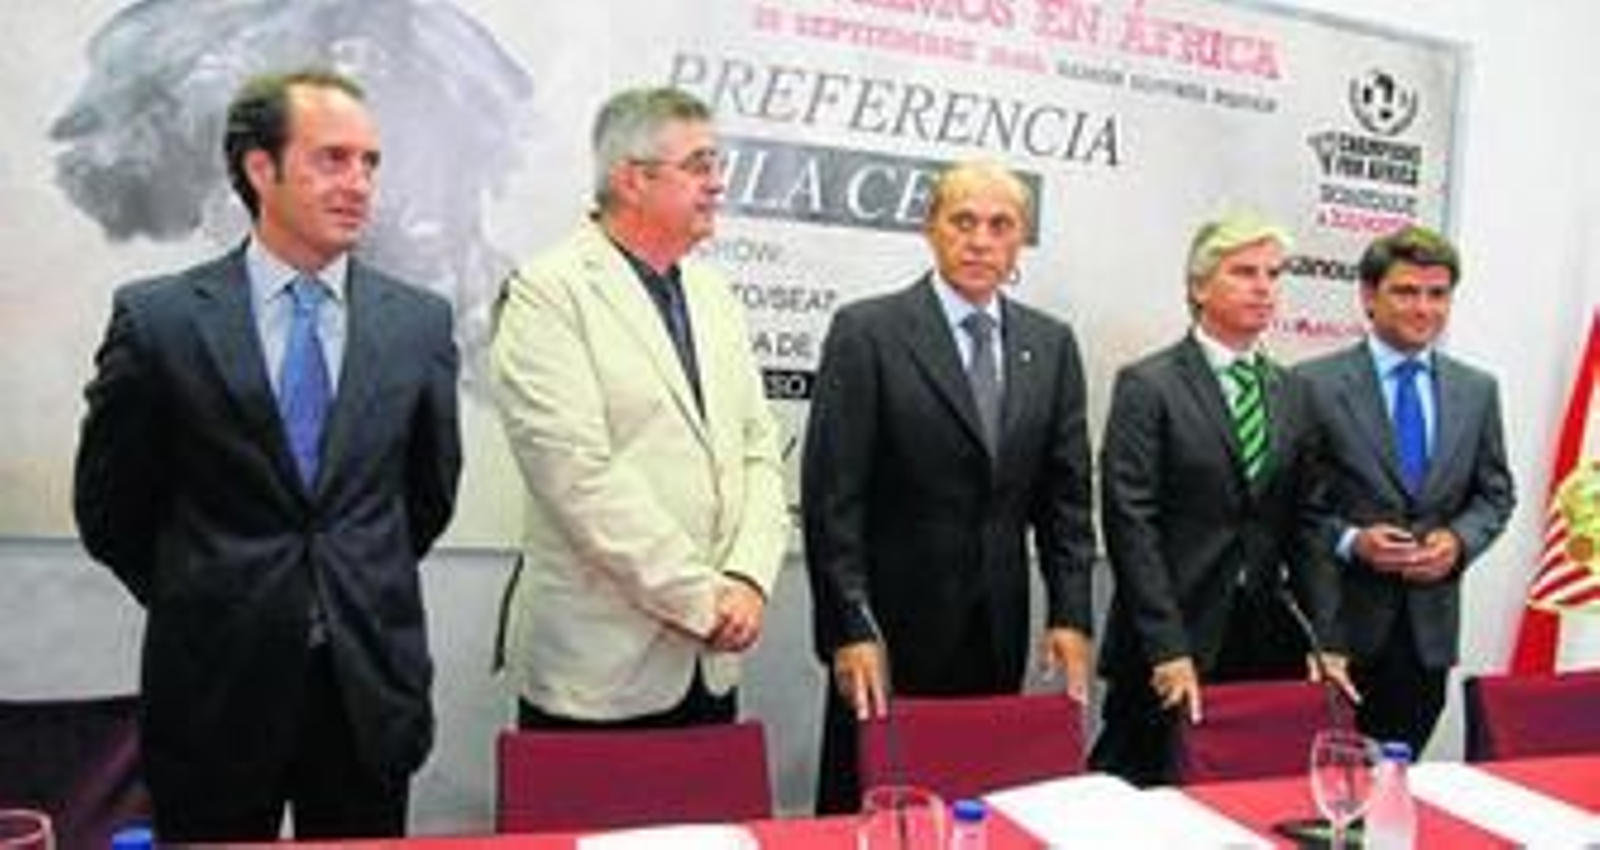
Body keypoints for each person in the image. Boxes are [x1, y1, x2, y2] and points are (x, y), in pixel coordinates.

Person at [73, 69, 461, 841]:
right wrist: (209, 591)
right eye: (332, 158)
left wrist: (342, 582)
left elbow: (425, 495)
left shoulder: (417, 324)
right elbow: (111, 510)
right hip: (213, 693)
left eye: (370, 163)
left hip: (365, 696)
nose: (359, 183)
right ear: (260, 167)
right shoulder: (161, 323)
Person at [489, 87, 787, 730]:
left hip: (712, 665)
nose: (717, 184)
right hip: (600, 675)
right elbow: (577, 478)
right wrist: (707, 602)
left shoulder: (714, 296)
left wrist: (748, 578)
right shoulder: (549, 292)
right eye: (700, 166)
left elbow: (760, 448)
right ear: (632, 178)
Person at [804, 160, 1096, 813]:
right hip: (887, 632)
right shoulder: (869, 332)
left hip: (996, 627)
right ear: (930, 229)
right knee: (875, 807)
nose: (981, 240)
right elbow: (832, 501)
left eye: (1000, 225)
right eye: (963, 222)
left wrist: (1071, 614)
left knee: (974, 804)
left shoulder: (1050, 346)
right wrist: (848, 625)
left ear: (1021, 239)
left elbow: (1067, 501)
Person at [1091, 213, 1351, 786]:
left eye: (1273, 274)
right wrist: (1166, 647)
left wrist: (1328, 638)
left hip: (1261, 640)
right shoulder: (1149, 383)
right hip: (1168, 637)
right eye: (1244, 272)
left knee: (1242, 796)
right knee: (1140, 794)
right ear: (1199, 287)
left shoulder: (1293, 392)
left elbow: (1308, 525)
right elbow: (1130, 521)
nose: (1263, 287)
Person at [1297, 225, 1514, 756]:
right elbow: (1291, 512)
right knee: (1323, 799)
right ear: (1369, 297)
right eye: (1406, 291)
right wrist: (1353, 542)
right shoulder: (1311, 386)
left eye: (1437, 294)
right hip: (1336, 635)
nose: (1424, 308)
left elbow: (1495, 494)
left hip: (1426, 641)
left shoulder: (1477, 390)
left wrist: (1458, 542)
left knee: (1396, 791)